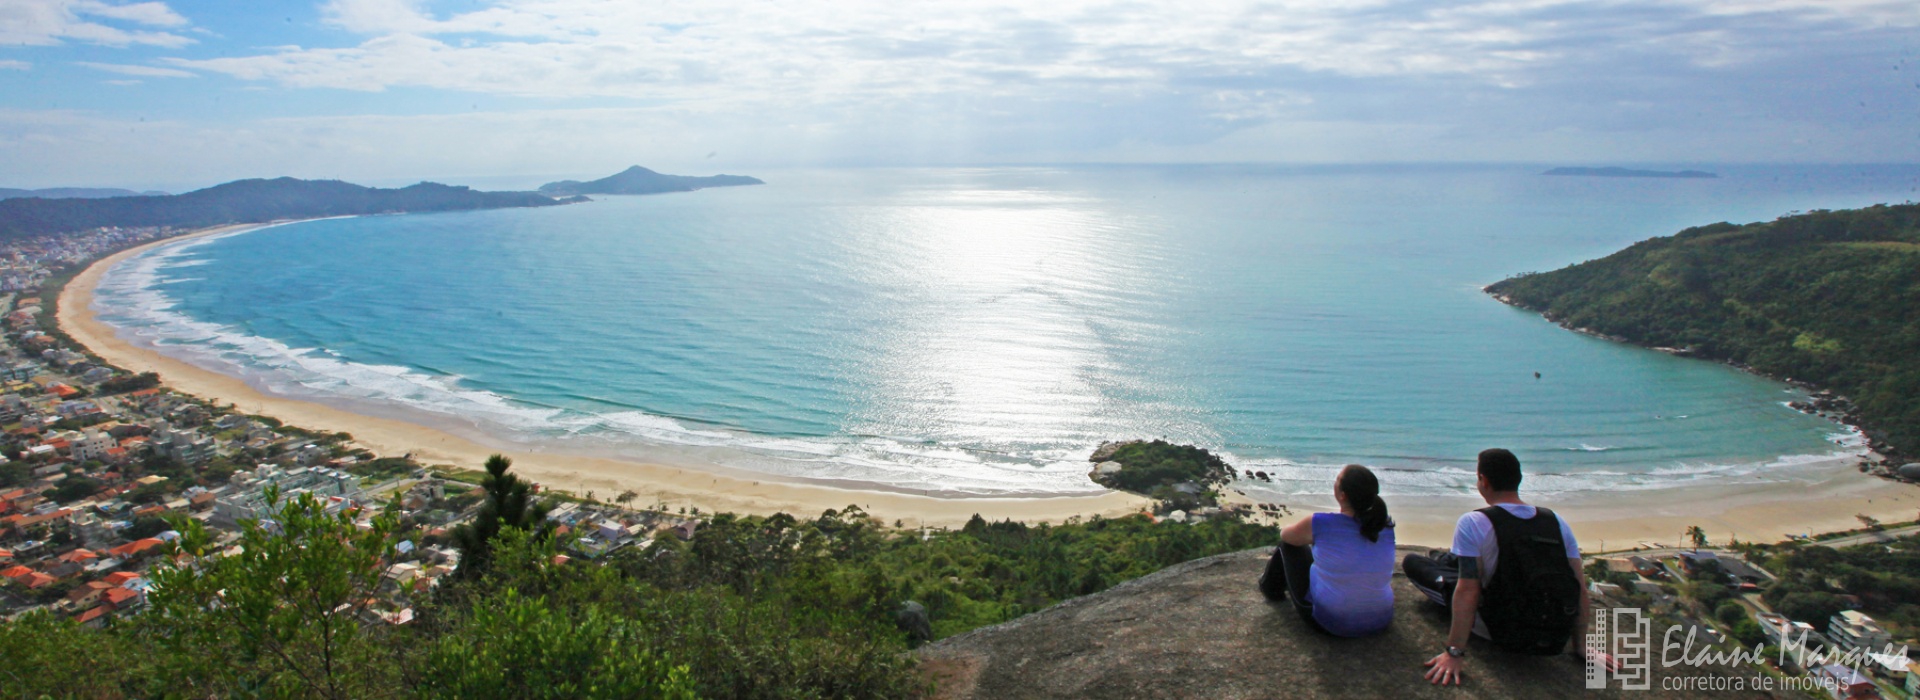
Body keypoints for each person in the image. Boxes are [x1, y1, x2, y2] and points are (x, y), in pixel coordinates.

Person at [1403, 448, 1616, 685]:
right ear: (1519, 479)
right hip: (1549, 629)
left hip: (1499, 627)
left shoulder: (1474, 522)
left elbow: (1468, 591)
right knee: (1459, 560)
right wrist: (1581, 647)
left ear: (1483, 480)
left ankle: (1442, 560)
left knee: (1414, 562)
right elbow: (1579, 588)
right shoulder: (1555, 521)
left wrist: (1454, 652)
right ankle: (1446, 559)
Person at [1258, 464, 1396, 637]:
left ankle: (1271, 590)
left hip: (1333, 622)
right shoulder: (1385, 524)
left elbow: (1286, 536)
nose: (1335, 481)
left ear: (1342, 495)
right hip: (1381, 619)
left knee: (1288, 546)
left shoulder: (1321, 522)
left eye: (1337, 479)